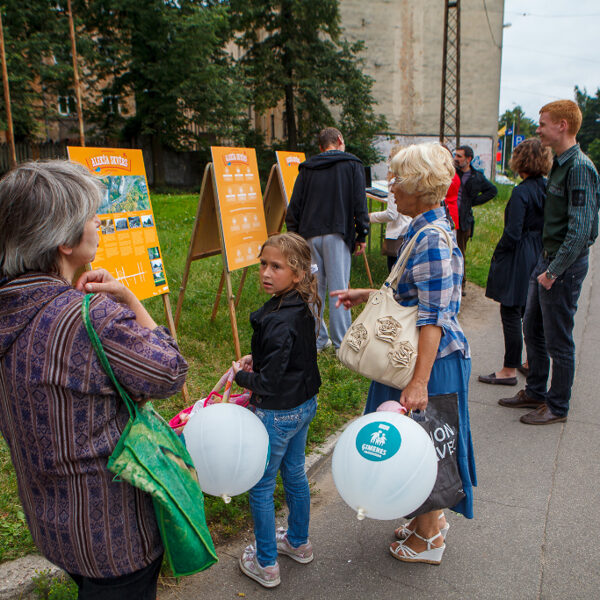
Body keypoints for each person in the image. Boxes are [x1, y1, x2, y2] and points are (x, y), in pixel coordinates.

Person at [0, 161, 188, 598]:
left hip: (53, 522)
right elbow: (170, 371)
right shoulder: (90, 317)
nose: (98, 222)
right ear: (64, 241)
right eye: (89, 215)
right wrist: (129, 300)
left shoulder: (9, 305)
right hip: (113, 536)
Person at [332, 142, 475, 565]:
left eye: (397, 178)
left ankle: (430, 537)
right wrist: (371, 294)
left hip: (427, 363)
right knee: (419, 442)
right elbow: (419, 297)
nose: (390, 186)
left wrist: (418, 382)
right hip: (418, 360)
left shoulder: (429, 235)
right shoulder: (425, 225)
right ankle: (424, 521)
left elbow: (433, 318)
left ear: (419, 184)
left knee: (424, 445)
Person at [499, 100, 600, 425]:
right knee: (533, 328)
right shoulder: (560, 162)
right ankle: (536, 391)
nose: (538, 129)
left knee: (559, 339)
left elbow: (582, 230)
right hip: (547, 261)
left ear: (562, 126)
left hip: (561, 267)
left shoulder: (580, 167)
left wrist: (553, 272)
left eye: (543, 123)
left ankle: (557, 406)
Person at [232, 233, 321, 588]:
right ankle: (298, 542)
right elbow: (289, 359)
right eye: (263, 264)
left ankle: (266, 562)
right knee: (295, 473)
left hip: (277, 413)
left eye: (276, 267)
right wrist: (261, 359)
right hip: (303, 405)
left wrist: (241, 375)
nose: (266, 272)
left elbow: (267, 383)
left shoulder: (278, 320)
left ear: (297, 274)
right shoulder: (299, 305)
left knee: (262, 485)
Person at [286, 127, 370, 351]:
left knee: (313, 289)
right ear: (340, 140)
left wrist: (294, 235)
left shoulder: (307, 169)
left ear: (320, 147)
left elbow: (294, 206)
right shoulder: (352, 165)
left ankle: (316, 339)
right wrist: (362, 233)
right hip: (338, 235)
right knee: (339, 289)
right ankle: (342, 343)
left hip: (309, 237)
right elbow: (359, 202)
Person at [479, 138, 552, 385]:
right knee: (530, 311)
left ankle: (508, 369)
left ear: (520, 160)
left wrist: (499, 253)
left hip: (519, 254)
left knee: (510, 310)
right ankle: (531, 361)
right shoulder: (548, 187)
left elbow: (512, 232)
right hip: (539, 251)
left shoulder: (521, 191)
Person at [454, 145, 498, 291]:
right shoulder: (452, 173)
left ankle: (461, 283)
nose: (456, 159)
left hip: (463, 221)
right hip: (449, 218)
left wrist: (473, 202)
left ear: (468, 159)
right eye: (456, 155)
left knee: (459, 253)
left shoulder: (476, 177)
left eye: (459, 156)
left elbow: (492, 190)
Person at [369, 144, 412, 272]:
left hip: (398, 234)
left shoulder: (395, 182)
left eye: (390, 158)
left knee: (394, 278)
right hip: (408, 231)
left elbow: (392, 214)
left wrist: (370, 217)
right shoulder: (410, 179)